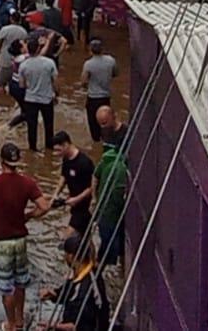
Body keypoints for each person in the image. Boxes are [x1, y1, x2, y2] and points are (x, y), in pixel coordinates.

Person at [0, 143, 51, 331]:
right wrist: (28, 216)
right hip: (20, 240)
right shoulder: (27, 182)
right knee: (20, 282)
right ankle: (20, 321)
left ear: (1, 161)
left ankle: (11, 324)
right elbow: (44, 206)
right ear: (17, 161)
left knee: (6, 287)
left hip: (0, 242)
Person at [40, 233, 110, 331]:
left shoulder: (83, 289)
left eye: (65, 254)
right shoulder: (89, 270)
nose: (64, 257)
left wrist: (52, 325)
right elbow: (71, 288)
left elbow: (75, 326)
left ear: (71, 256)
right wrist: (55, 294)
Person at [50, 132, 96, 236]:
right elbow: (64, 177)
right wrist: (55, 194)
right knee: (85, 238)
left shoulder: (84, 162)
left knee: (68, 236)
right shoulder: (66, 159)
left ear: (66, 145)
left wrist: (76, 199)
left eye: (58, 150)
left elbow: (92, 187)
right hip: (75, 206)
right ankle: (91, 252)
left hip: (85, 207)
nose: (56, 154)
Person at [92, 137, 129, 268]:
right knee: (110, 244)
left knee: (109, 241)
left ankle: (105, 265)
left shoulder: (106, 159)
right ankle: (103, 267)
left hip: (105, 210)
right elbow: (118, 194)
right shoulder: (119, 167)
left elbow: (95, 176)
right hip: (110, 212)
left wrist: (94, 198)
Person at [19, 38, 59, 151]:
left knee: (32, 126)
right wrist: (56, 94)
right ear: (38, 48)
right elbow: (55, 81)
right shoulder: (49, 63)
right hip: (46, 99)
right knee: (49, 125)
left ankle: (32, 149)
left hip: (30, 99)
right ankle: (49, 148)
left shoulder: (23, 65)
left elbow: (21, 85)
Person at [81, 39, 118, 143]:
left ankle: (96, 143)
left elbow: (83, 81)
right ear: (102, 49)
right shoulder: (111, 60)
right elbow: (115, 73)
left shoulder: (88, 64)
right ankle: (107, 141)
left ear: (90, 50)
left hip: (93, 98)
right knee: (106, 122)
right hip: (105, 97)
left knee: (93, 124)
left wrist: (86, 86)